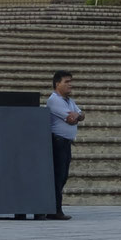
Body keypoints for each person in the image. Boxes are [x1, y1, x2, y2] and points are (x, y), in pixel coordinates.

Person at [45, 71, 84, 220]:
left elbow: (81, 115)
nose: (70, 85)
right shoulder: (54, 100)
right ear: (57, 84)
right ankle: (55, 210)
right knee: (58, 176)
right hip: (58, 142)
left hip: (66, 142)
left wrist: (78, 115)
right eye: (66, 82)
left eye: (70, 81)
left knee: (63, 176)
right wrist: (76, 116)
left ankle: (54, 208)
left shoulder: (69, 100)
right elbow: (70, 118)